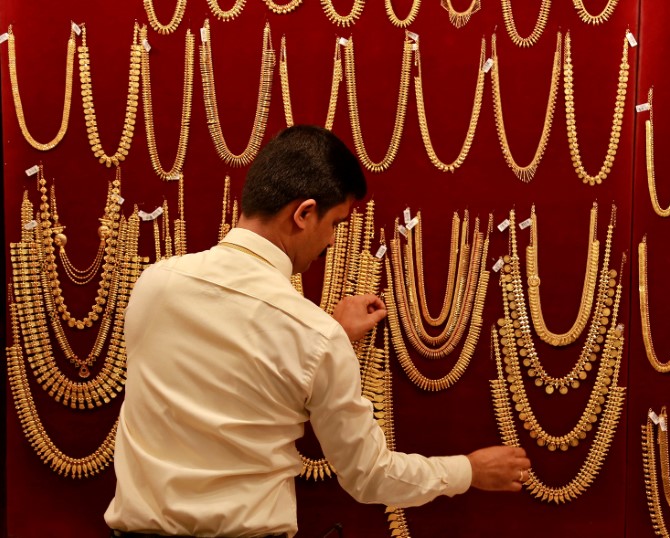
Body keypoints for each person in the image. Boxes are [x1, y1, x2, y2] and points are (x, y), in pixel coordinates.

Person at [105, 125, 531, 538]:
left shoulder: (153, 285)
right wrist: (470, 471)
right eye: (337, 224)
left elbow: (221, 372)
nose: (331, 240)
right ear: (305, 213)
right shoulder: (313, 335)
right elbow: (369, 475)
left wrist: (330, 339)